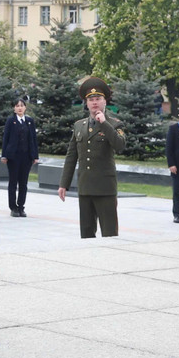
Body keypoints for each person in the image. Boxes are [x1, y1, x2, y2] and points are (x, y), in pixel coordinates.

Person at [58, 77, 126, 238]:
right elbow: (71, 156)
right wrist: (63, 184)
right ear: (87, 103)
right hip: (85, 186)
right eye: (91, 100)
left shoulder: (114, 124)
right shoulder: (79, 125)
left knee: (109, 233)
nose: (94, 102)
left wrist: (104, 124)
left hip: (105, 187)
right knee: (86, 233)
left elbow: (120, 146)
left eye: (98, 99)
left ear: (105, 101)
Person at [1, 99, 39, 217]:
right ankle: (13, 207)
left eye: (22, 106)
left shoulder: (29, 121)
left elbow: (33, 139)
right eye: (17, 106)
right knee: (13, 182)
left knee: (23, 183)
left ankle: (21, 207)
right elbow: (6, 138)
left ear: (25, 108)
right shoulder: (10, 121)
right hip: (13, 157)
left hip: (26, 157)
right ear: (14, 108)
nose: (20, 108)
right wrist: (4, 155)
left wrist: (35, 156)